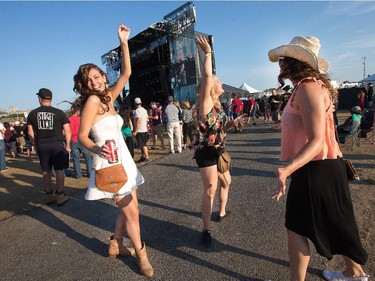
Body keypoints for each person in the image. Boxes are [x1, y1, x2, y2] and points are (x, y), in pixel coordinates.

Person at [268, 36, 368, 280]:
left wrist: (286, 169)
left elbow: (317, 141)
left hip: (316, 168)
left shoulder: (309, 88)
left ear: (296, 62)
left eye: (285, 58)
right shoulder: (306, 87)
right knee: (338, 222)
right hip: (321, 166)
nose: (280, 63)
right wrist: (285, 127)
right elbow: (314, 126)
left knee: (296, 228)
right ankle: (354, 272)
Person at [73, 23, 153, 278]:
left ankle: (115, 243)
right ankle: (141, 254)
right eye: (90, 80)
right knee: (133, 212)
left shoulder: (108, 97)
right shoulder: (93, 101)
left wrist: (124, 41)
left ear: (103, 77)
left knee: (129, 209)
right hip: (109, 164)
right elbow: (81, 136)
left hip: (124, 161)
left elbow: (127, 72)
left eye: (97, 76)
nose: (95, 81)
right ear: (85, 85)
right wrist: (97, 148)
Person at [194, 36, 240, 245]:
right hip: (206, 151)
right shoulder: (205, 104)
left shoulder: (219, 106)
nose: (221, 82)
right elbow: (206, 76)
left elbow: (220, 128)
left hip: (220, 149)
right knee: (210, 188)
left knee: (227, 181)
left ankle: (221, 212)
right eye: (218, 81)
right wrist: (208, 53)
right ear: (210, 87)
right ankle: (206, 230)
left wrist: (233, 124)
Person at [27, 88, 71, 207]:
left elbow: (30, 133)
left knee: (46, 171)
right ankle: (60, 196)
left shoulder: (32, 113)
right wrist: (67, 145)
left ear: (39, 99)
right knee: (59, 170)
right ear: (51, 99)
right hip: (57, 144)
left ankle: (48, 196)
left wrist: (34, 144)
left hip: (42, 144)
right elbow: (67, 131)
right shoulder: (60, 112)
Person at [68, 103, 93, 178]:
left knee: (76, 159)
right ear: (79, 111)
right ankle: (89, 173)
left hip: (73, 140)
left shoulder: (69, 119)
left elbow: (68, 131)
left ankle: (78, 175)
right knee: (88, 158)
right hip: (83, 140)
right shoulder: (82, 119)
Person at [133, 97, 150, 163]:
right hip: (144, 129)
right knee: (141, 144)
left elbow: (138, 121)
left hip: (140, 130)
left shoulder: (137, 111)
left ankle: (147, 157)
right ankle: (143, 156)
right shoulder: (144, 110)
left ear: (135, 103)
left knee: (143, 144)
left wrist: (135, 130)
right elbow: (146, 118)